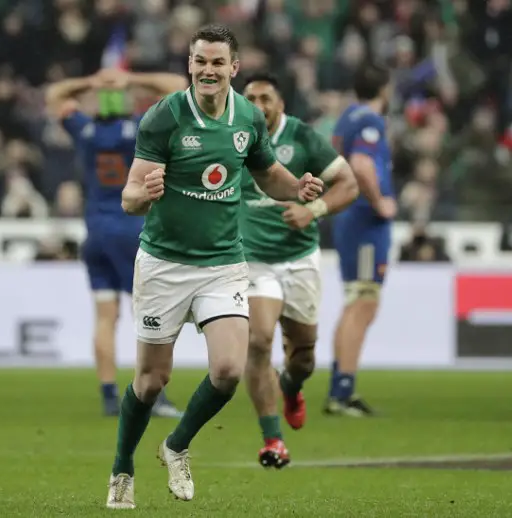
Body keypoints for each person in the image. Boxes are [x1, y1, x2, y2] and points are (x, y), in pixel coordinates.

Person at [106, 24, 324, 509]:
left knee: (228, 370)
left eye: (217, 63)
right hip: (164, 263)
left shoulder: (247, 116)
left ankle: (176, 445)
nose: (208, 70)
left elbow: (268, 174)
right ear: (190, 64)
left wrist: (299, 188)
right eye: (200, 61)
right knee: (150, 381)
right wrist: (145, 194)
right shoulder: (162, 118)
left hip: (223, 262)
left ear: (233, 68)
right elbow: (129, 197)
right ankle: (122, 467)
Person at [45, 68, 188, 418]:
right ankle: (153, 394)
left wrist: (89, 80)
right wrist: (134, 79)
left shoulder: (85, 130)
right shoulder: (141, 127)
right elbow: (178, 88)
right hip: (132, 229)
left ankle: (109, 395)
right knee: (152, 314)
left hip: (94, 231)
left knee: (105, 317)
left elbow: (55, 95)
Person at [240, 73, 358, 468]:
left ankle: (291, 387)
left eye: (265, 97)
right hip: (252, 260)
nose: (257, 104)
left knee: (303, 355)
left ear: (280, 104)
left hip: (299, 259)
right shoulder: (230, 136)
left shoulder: (302, 136)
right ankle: (272, 439)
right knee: (258, 340)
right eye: (250, 97)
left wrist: (313, 210)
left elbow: (347, 183)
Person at [324, 64, 397, 417]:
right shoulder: (370, 121)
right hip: (365, 222)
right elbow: (362, 165)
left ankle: (339, 385)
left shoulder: (345, 118)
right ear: (386, 88)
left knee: (355, 300)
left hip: (347, 219)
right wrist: (379, 200)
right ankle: (343, 391)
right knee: (364, 303)